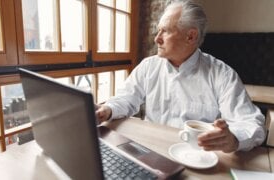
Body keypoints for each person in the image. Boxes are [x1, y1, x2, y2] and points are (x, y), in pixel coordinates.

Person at [95, 0, 266, 153]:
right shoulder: (148, 66)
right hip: (150, 149)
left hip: (198, 156)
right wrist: (108, 110)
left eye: (165, 31)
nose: (156, 39)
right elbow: (126, 98)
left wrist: (233, 140)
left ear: (191, 36)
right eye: (158, 31)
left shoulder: (222, 74)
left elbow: (252, 124)